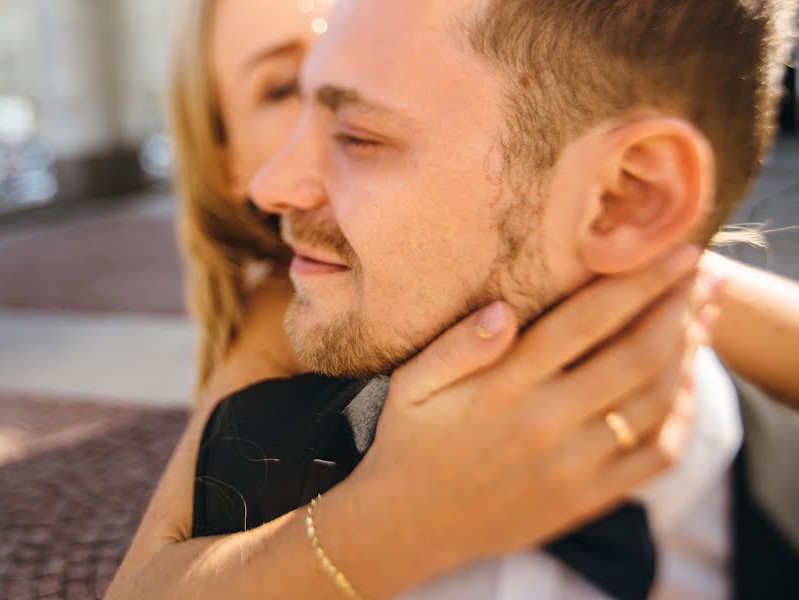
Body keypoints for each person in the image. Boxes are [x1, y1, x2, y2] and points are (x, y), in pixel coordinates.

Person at [108, 0, 799, 598]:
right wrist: (394, 518)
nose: (282, 180)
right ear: (226, 161)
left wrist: (639, 255)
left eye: (360, 131)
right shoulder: (256, 404)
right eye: (288, 86)